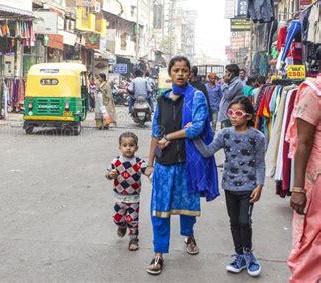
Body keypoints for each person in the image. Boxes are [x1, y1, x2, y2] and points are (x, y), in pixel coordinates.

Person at [145, 56, 219, 275]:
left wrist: (170, 136)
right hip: (164, 163)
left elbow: (196, 128)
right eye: (176, 70)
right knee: (159, 209)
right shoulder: (162, 99)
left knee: (187, 207)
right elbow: (155, 133)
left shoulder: (197, 97)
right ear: (170, 73)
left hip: (189, 162)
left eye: (184, 70)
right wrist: (149, 163)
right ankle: (159, 253)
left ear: (190, 74)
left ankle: (188, 235)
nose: (180, 74)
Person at [189, 96, 265, 277]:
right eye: (230, 112)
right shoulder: (225, 134)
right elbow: (208, 152)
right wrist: (194, 136)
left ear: (248, 116)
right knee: (233, 222)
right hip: (229, 186)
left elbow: (260, 164)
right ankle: (239, 255)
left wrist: (260, 185)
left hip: (249, 187)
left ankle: (248, 254)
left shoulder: (258, 137)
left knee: (244, 222)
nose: (233, 116)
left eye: (238, 113)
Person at [285, 76, 321, 283]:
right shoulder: (314, 91)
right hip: (317, 179)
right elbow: (303, 144)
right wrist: (298, 188)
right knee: (312, 240)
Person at [106, 132, 152, 252]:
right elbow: (107, 174)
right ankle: (122, 226)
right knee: (117, 218)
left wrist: (151, 175)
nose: (128, 148)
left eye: (131, 145)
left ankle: (133, 239)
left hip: (134, 198)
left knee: (132, 219)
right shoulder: (115, 162)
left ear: (136, 147)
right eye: (124, 145)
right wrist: (111, 175)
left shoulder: (139, 162)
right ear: (120, 147)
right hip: (119, 198)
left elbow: (146, 170)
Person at [219, 64, 244, 129]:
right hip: (225, 116)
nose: (225, 74)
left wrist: (225, 83)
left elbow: (228, 95)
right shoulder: (231, 83)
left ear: (231, 74)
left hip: (229, 116)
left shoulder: (237, 83)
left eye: (227, 72)